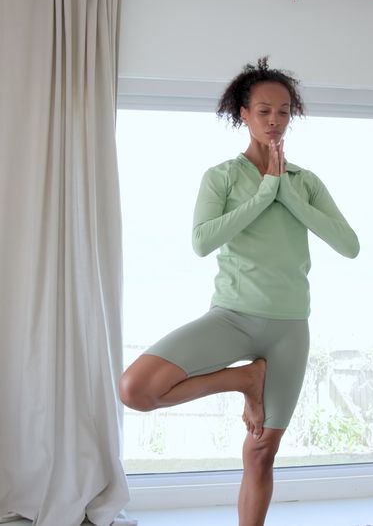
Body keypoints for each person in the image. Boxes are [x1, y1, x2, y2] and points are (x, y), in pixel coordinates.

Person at [118, 57, 360, 526]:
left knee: (261, 452)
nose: (274, 121)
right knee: (137, 390)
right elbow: (202, 242)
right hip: (231, 317)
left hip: (289, 328)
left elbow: (348, 246)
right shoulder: (222, 177)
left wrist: (285, 191)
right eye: (264, 111)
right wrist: (264, 191)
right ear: (244, 115)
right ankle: (244, 379)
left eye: (284, 112)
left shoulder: (305, 183)